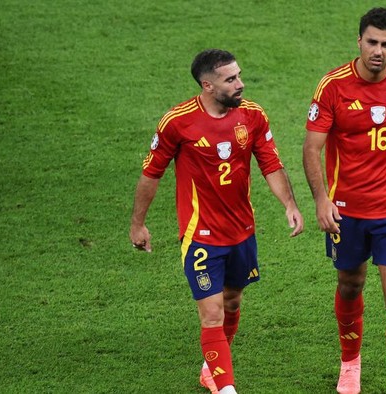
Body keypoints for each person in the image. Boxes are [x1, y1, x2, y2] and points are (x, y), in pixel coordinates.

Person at [130, 49, 304, 394]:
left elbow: (270, 163)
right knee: (211, 314)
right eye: (231, 79)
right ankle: (226, 388)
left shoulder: (252, 116)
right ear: (207, 85)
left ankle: (212, 366)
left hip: (242, 231)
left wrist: (289, 204)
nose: (240, 84)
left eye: (239, 75)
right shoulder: (177, 122)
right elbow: (151, 174)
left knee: (232, 302)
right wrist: (138, 223)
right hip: (201, 236)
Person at [303, 7, 386, 394]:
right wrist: (322, 200)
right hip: (348, 213)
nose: (378, 50)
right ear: (359, 40)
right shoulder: (333, 86)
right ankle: (350, 362)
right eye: (371, 42)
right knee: (351, 285)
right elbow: (312, 148)